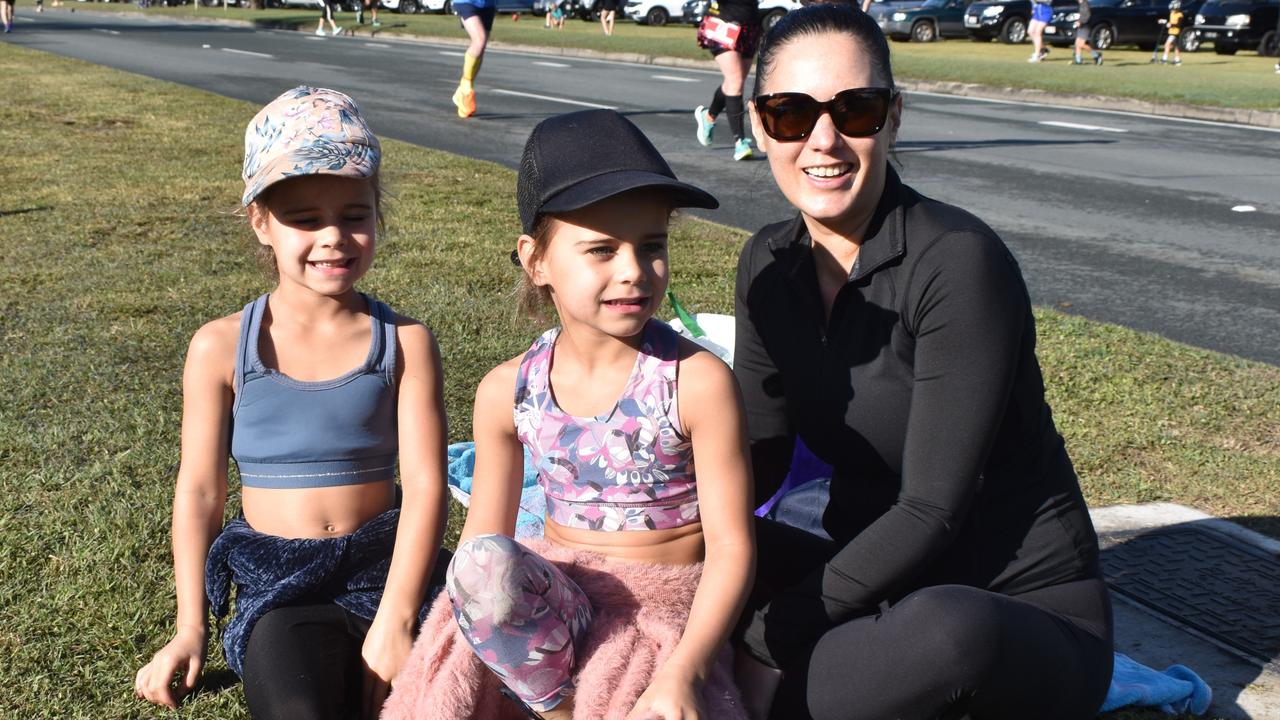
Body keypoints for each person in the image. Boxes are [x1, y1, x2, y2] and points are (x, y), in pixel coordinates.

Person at [732, 5, 1114, 719]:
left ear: (894, 117)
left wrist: (764, 636)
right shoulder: (767, 265)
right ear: (758, 124)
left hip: (1009, 611)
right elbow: (758, 456)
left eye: (857, 110)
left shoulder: (957, 263)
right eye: (790, 113)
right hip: (870, 588)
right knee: (702, 551)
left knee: (945, 631)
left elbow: (933, 509)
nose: (824, 140)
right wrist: (654, 532)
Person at [380, 109, 754, 720]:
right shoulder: (508, 390)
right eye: (601, 249)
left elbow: (733, 547)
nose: (633, 270)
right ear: (536, 260)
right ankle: (552, 711)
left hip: (657, 617)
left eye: (651, 245)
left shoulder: (697, 382)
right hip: (554, 613)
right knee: (479, 566)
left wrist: (686, 669)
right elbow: (482, 540)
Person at [133, 86, 451, 720]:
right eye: (305, 219)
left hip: (388, 572)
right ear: (261, 222)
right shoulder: (219, 347)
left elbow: (424, 487)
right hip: (281, 588)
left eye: (354, 214)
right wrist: (190, 626)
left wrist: (397, 617)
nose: (333, 237)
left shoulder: (407, 342)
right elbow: (200, 492)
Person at [693, 0, 763, 161]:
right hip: (722, 24)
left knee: (733, 83)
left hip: (749, 27)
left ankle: (708, 117)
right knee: (735, 82)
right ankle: (740, 142)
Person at [452, 0, 496, 118]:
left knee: (480, 48)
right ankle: (465, 89)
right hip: (466, 2)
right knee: (479, 40)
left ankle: (461, 91)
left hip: (488, 4)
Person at [1073, 0, 1103, 65]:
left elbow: (1087, 16)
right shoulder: (1081, 4)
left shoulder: (1085, 4)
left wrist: (1080, 21)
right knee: (1077, 44)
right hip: (1081, 26)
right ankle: (1078, 60)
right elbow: (1082, 15)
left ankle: (1097, 56)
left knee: (1081, 44)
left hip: (1086, 26)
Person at [1156, 0, 1184, 64]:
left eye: (1173, 9)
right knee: (1176, 47)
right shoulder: (1172, 13)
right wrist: (1164, 21)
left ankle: (1164, 59)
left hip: (1175, 33)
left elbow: (1178, 24)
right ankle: (1177, 60)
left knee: (1167, 44)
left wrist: (1171, 25)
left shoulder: (1180, 15)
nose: (1171, 10)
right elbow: (1170, 21)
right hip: (1171, 32)